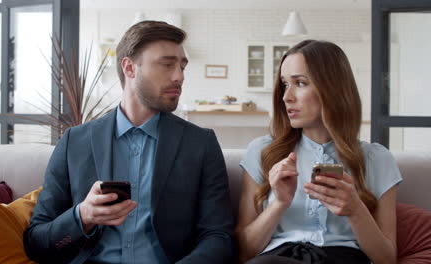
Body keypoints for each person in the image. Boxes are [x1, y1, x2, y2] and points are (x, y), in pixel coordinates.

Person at [23, 21, 235, 264]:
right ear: (129, 67)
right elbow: (37, 244)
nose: (179, 76)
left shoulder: (200, 144)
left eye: (182, 66)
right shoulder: (75, 142)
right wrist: (83, 216)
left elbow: (219, 237)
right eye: (167, 64)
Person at [236, 40, 402, 264]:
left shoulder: (376, 159)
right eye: (285, 84)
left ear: (333, 89)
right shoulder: (263, 152)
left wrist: (355, 210)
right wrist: (279, 203)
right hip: (277, 259)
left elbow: (387, 259)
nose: (287, 96)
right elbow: (244, 251)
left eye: (301, 83)